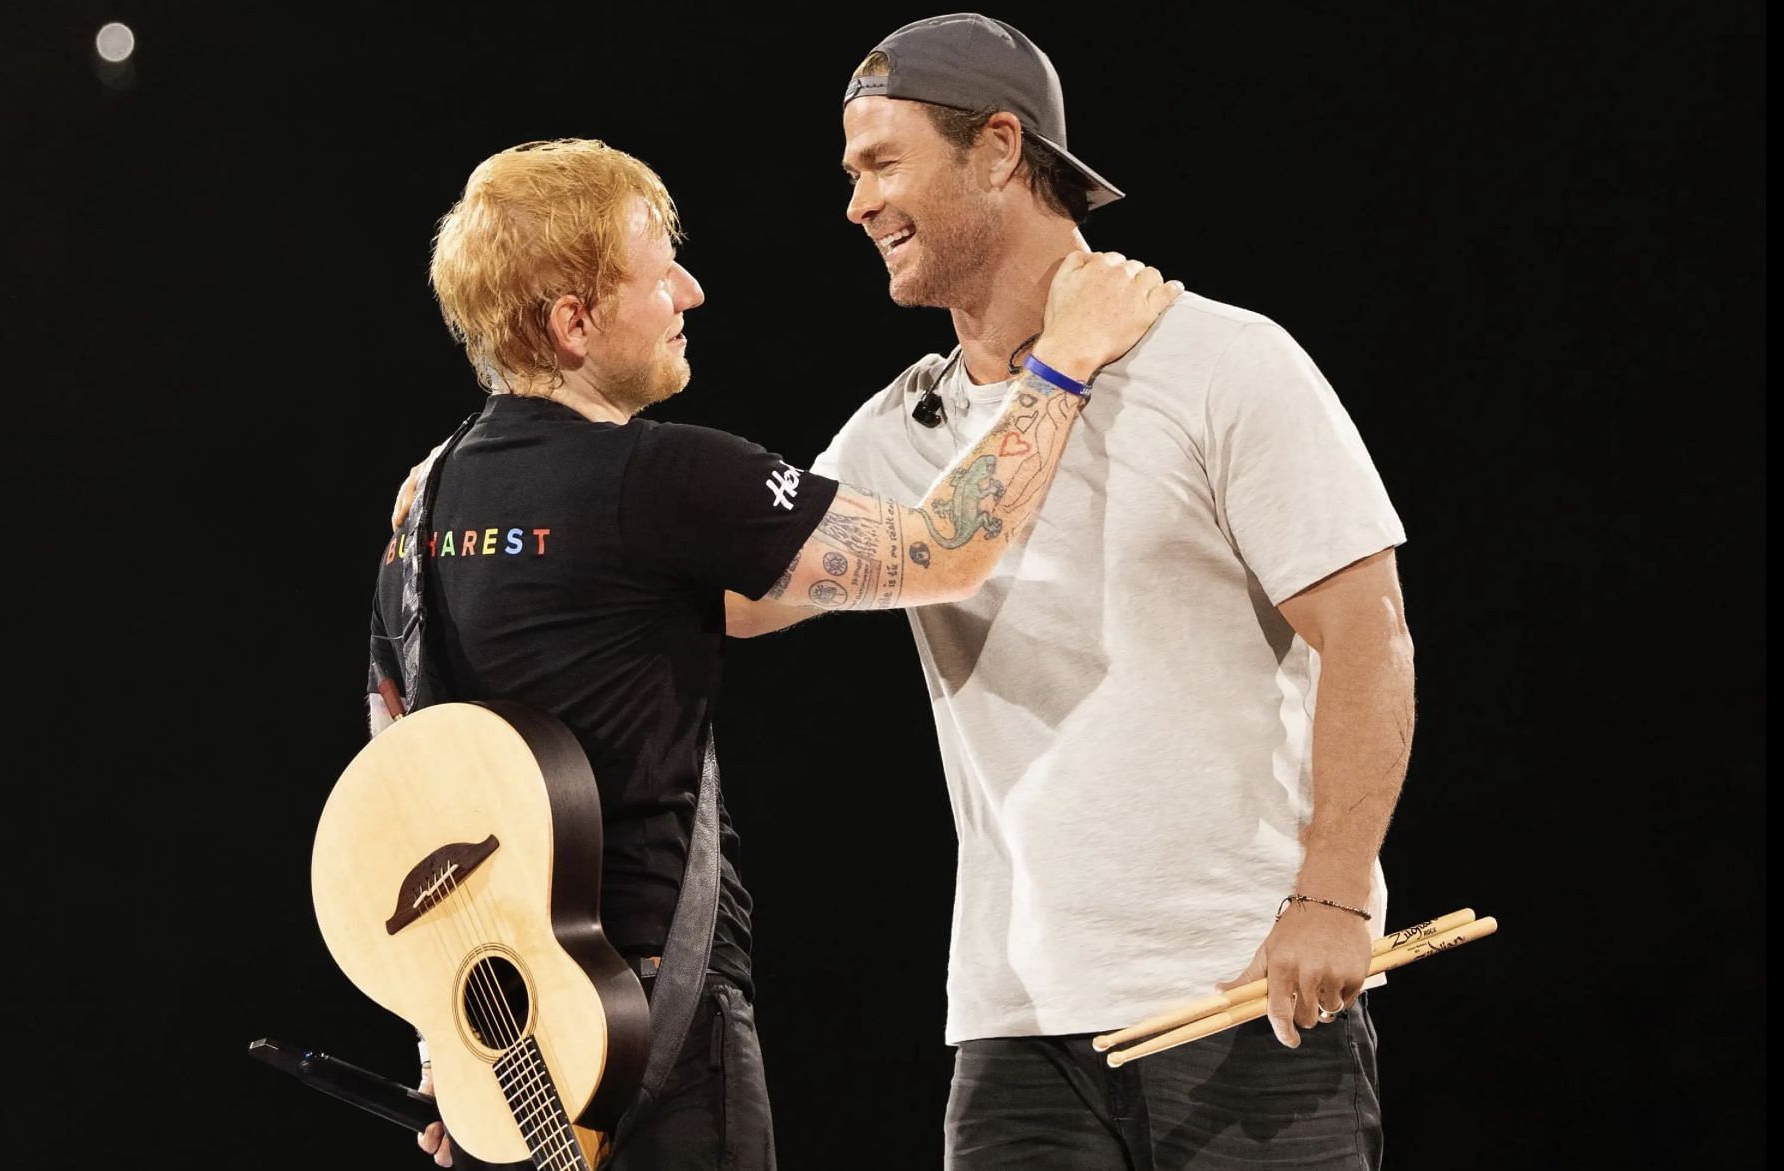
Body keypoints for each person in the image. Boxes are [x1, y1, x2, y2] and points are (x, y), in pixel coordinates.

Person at [367, 137, 1179, 1170]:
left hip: (508, 1040)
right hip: (650, 1022)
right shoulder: (662, 479)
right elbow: (943, 552)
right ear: (574, 322)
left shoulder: (421, 504)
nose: (691, 292)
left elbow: (397, 785)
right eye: (658, 271)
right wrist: (1065, 359)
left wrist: (455, 1033)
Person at [721, 13, 1416, 1169]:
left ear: (999, 149)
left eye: (882, 163)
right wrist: (532, 447)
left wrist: (1337, 893)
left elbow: (1367, 631)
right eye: (852, 173)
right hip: (1013, 1032)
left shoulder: (1226, 361)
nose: (855, 203)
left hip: (1244, 996)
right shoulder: (905, 431)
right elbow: (737, 600)